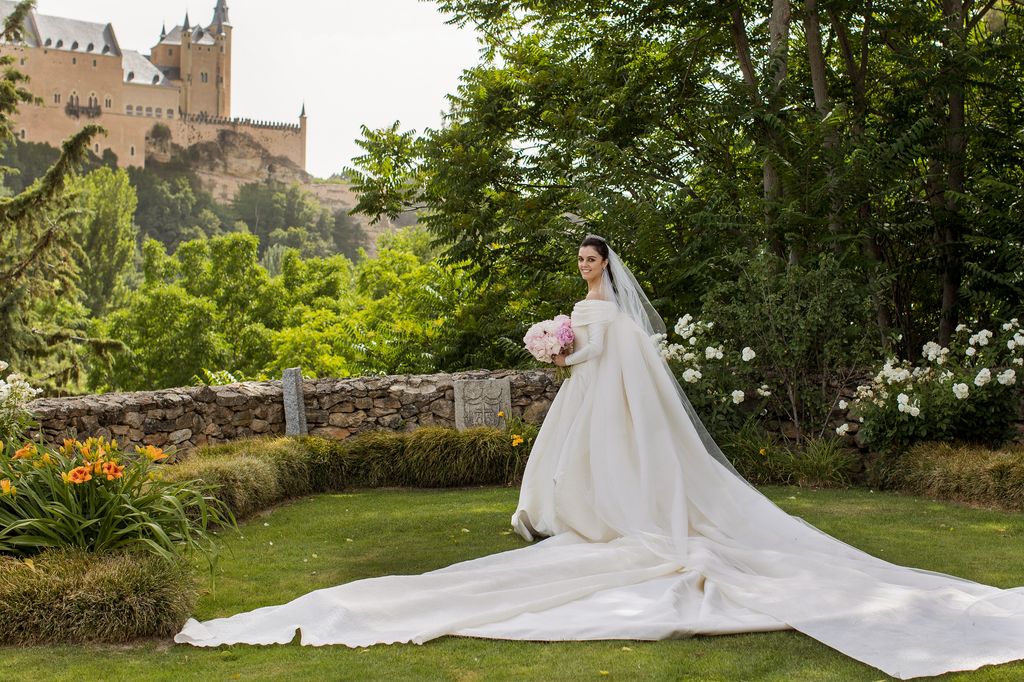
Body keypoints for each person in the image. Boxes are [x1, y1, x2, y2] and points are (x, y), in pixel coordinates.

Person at [177, 235, 1024, 680]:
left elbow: (602, 357)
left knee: (596, 483)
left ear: (606, 265)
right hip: (580, 403)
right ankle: (568, 517)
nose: (584, 266)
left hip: (599, 407)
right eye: (580, 259)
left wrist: (560, 352)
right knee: (562, 474)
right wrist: (555, 348)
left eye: (591, 259)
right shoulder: (586, 311)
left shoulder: (611, 317)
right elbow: (577, 351)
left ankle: (601, 520)